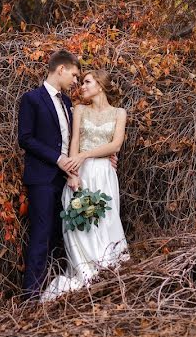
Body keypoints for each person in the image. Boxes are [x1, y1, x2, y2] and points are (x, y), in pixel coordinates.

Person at [17, 50, 118, 301]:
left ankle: (52, 293)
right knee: (40, 235)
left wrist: (106, 157)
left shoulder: (67, 104)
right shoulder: (32, 99)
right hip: (43, 177)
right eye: (74, 74)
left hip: (68, 179)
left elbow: (78, 139)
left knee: (59, 237)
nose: (76, 80)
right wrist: (59, 159)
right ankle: (30, 298)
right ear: (60, 69)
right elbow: (26, 138)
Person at [39, 69, 130, 302]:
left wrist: (85, 155)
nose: (82, 86)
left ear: (100, 85)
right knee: (82, 227)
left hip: (105, 175)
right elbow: (74, 144)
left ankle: (108, 278)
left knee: (107, 224)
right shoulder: (79, 110)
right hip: (83, 173)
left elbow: (116, 145)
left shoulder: (119, 113)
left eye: (88, 82)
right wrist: (73, 173)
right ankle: (87, 277)